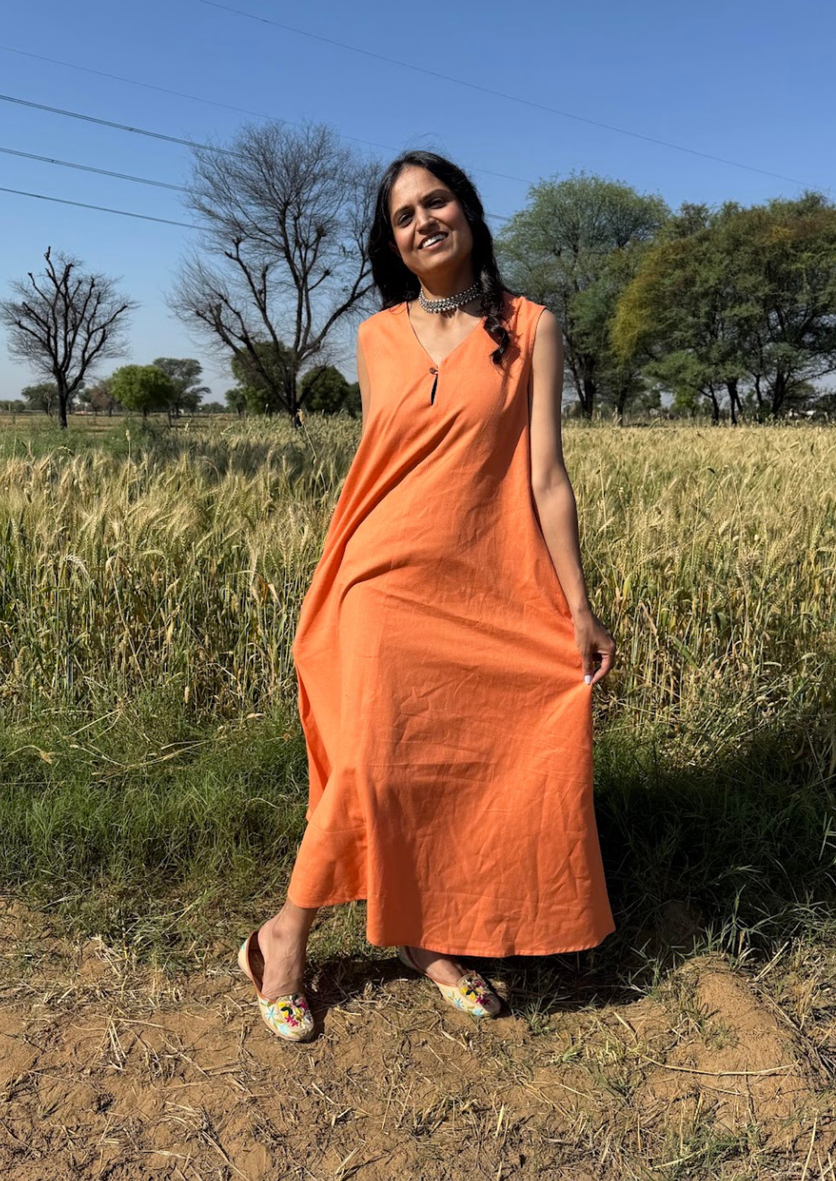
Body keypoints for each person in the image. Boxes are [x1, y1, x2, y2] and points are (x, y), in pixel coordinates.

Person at [237, 150, 617, 1041]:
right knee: (371, 762)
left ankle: (418, 938)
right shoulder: (376, 337)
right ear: (395, 242)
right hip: (380, 577)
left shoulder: (531, 327)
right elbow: (387, 466)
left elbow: (547, 477)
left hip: (484, 580)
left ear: (469, 211)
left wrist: (578, 605)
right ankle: (284, 935)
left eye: (434, 202)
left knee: (441, 763)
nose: (421, 222)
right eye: (403, 216)